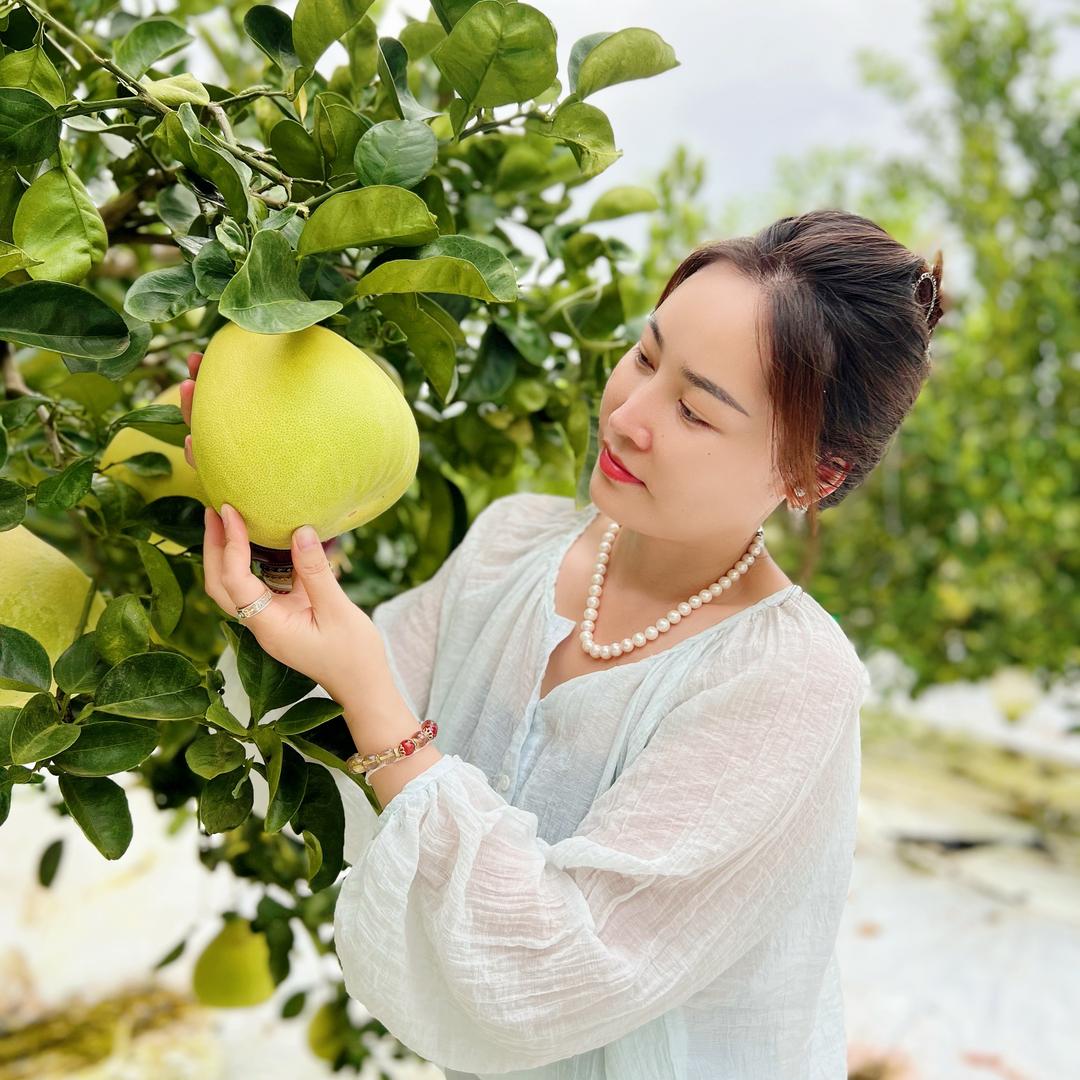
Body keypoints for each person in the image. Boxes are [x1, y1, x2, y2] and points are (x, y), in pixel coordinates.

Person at [208, 207, 945, 1079]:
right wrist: (264, 519)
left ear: (810, 475)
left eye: (695, 412)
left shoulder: (786, 681)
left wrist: (375, 703)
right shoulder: (514, 546)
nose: (628, 414)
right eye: (645, 356)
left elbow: (552, 970)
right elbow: (313, 743)